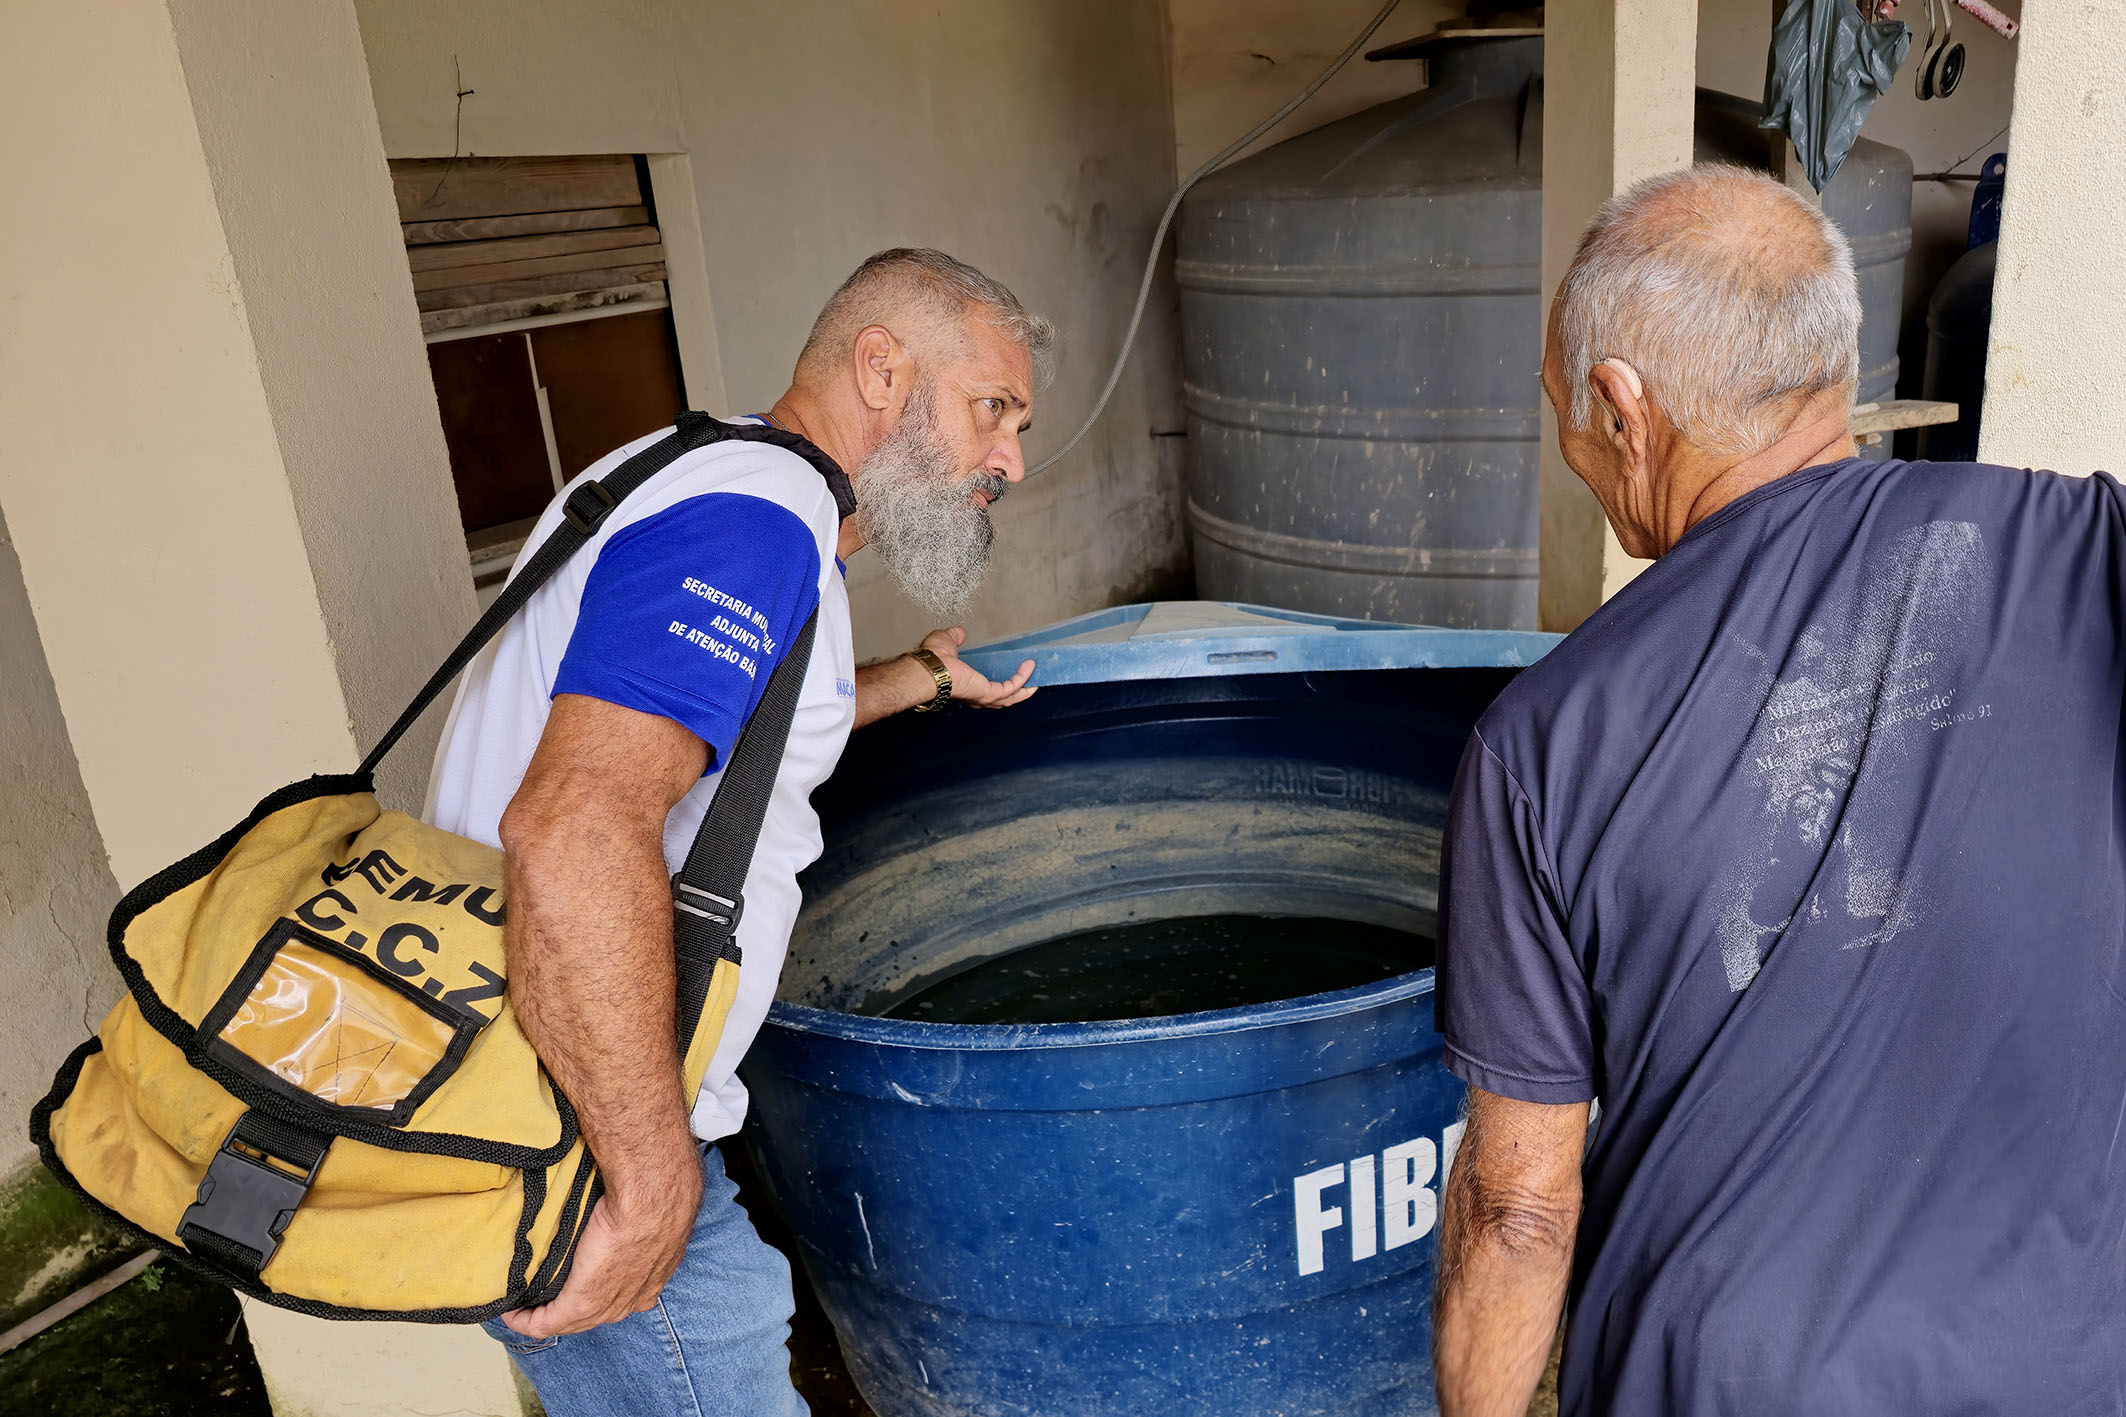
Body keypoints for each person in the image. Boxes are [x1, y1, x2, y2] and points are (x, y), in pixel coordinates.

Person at [1431, 165, 2126, 1416]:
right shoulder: (2088, 555)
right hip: (2067, 1361)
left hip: (1713, 1379)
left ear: (1620, 405)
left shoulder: (1536, 743)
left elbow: (1518, 1209)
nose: (1571, 448)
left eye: (1561, 411)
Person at [423, 248, 1053, 1416]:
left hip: (515, 1095)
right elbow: (572, 825)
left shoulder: (697, 473)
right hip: (580, 1141)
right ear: (881, 367)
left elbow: (729, 712)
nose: (1009, 459)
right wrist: (655, 1186)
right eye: (991, 410)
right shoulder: (750, 527)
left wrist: (913, 678)